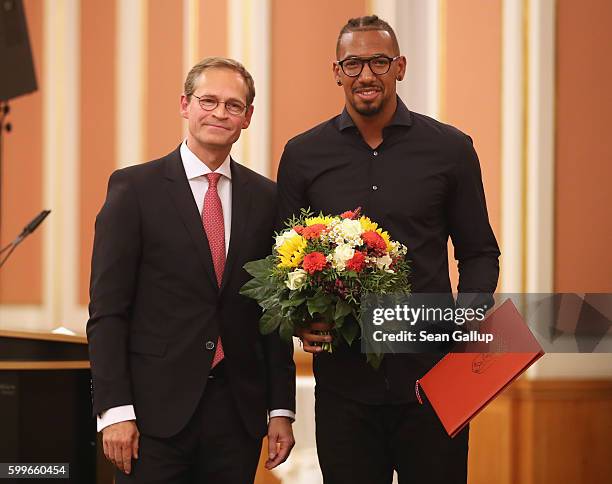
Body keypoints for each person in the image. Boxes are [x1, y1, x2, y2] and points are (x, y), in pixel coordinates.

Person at [276, 16, 500, 484]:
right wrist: (301, 320)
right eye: (353, 63)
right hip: (344, 385)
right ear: (336, 71)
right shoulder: (303, 154)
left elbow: (479, 253)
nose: (366, 75)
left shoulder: (451, 149)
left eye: (379, 61)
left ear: (400, 66)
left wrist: (466, 327)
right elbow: (283, 262)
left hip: (436, 382)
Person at [87, 57, 296, 484]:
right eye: (208, 100)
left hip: (236, 416)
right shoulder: (134, 190)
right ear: (185, 104)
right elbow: (108, 312)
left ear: (247, 117)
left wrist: (281, 409)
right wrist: (115, 411)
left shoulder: (267, 198)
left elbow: (273, 313)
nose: (220, 113)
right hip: (150, 418)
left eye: (233, 105)